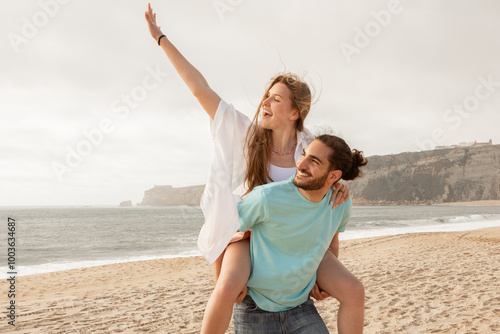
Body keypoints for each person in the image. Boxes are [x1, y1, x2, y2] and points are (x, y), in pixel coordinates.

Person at [144, 4, 364, 333]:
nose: (265, 102)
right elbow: (198, 88)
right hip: (251, 234)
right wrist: (160, 38)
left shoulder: (309, 146)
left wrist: (339, 185)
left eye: (276, 99)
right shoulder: (245, 135)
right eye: (266, 96)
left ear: (294, 112)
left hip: (297, 242)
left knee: (353, 290)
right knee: (228, 285)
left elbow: (328, 191)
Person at [233, 134, 367, 333]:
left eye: (314, 161)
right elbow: (226, 235)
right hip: (255, 307)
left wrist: (323, 283)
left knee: (356, 291)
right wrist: (225, 284)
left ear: (333, 176)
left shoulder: (340, 202)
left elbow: (331, 241)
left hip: (300, 307)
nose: (301, 164)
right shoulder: (266, 197)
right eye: (304, 155)